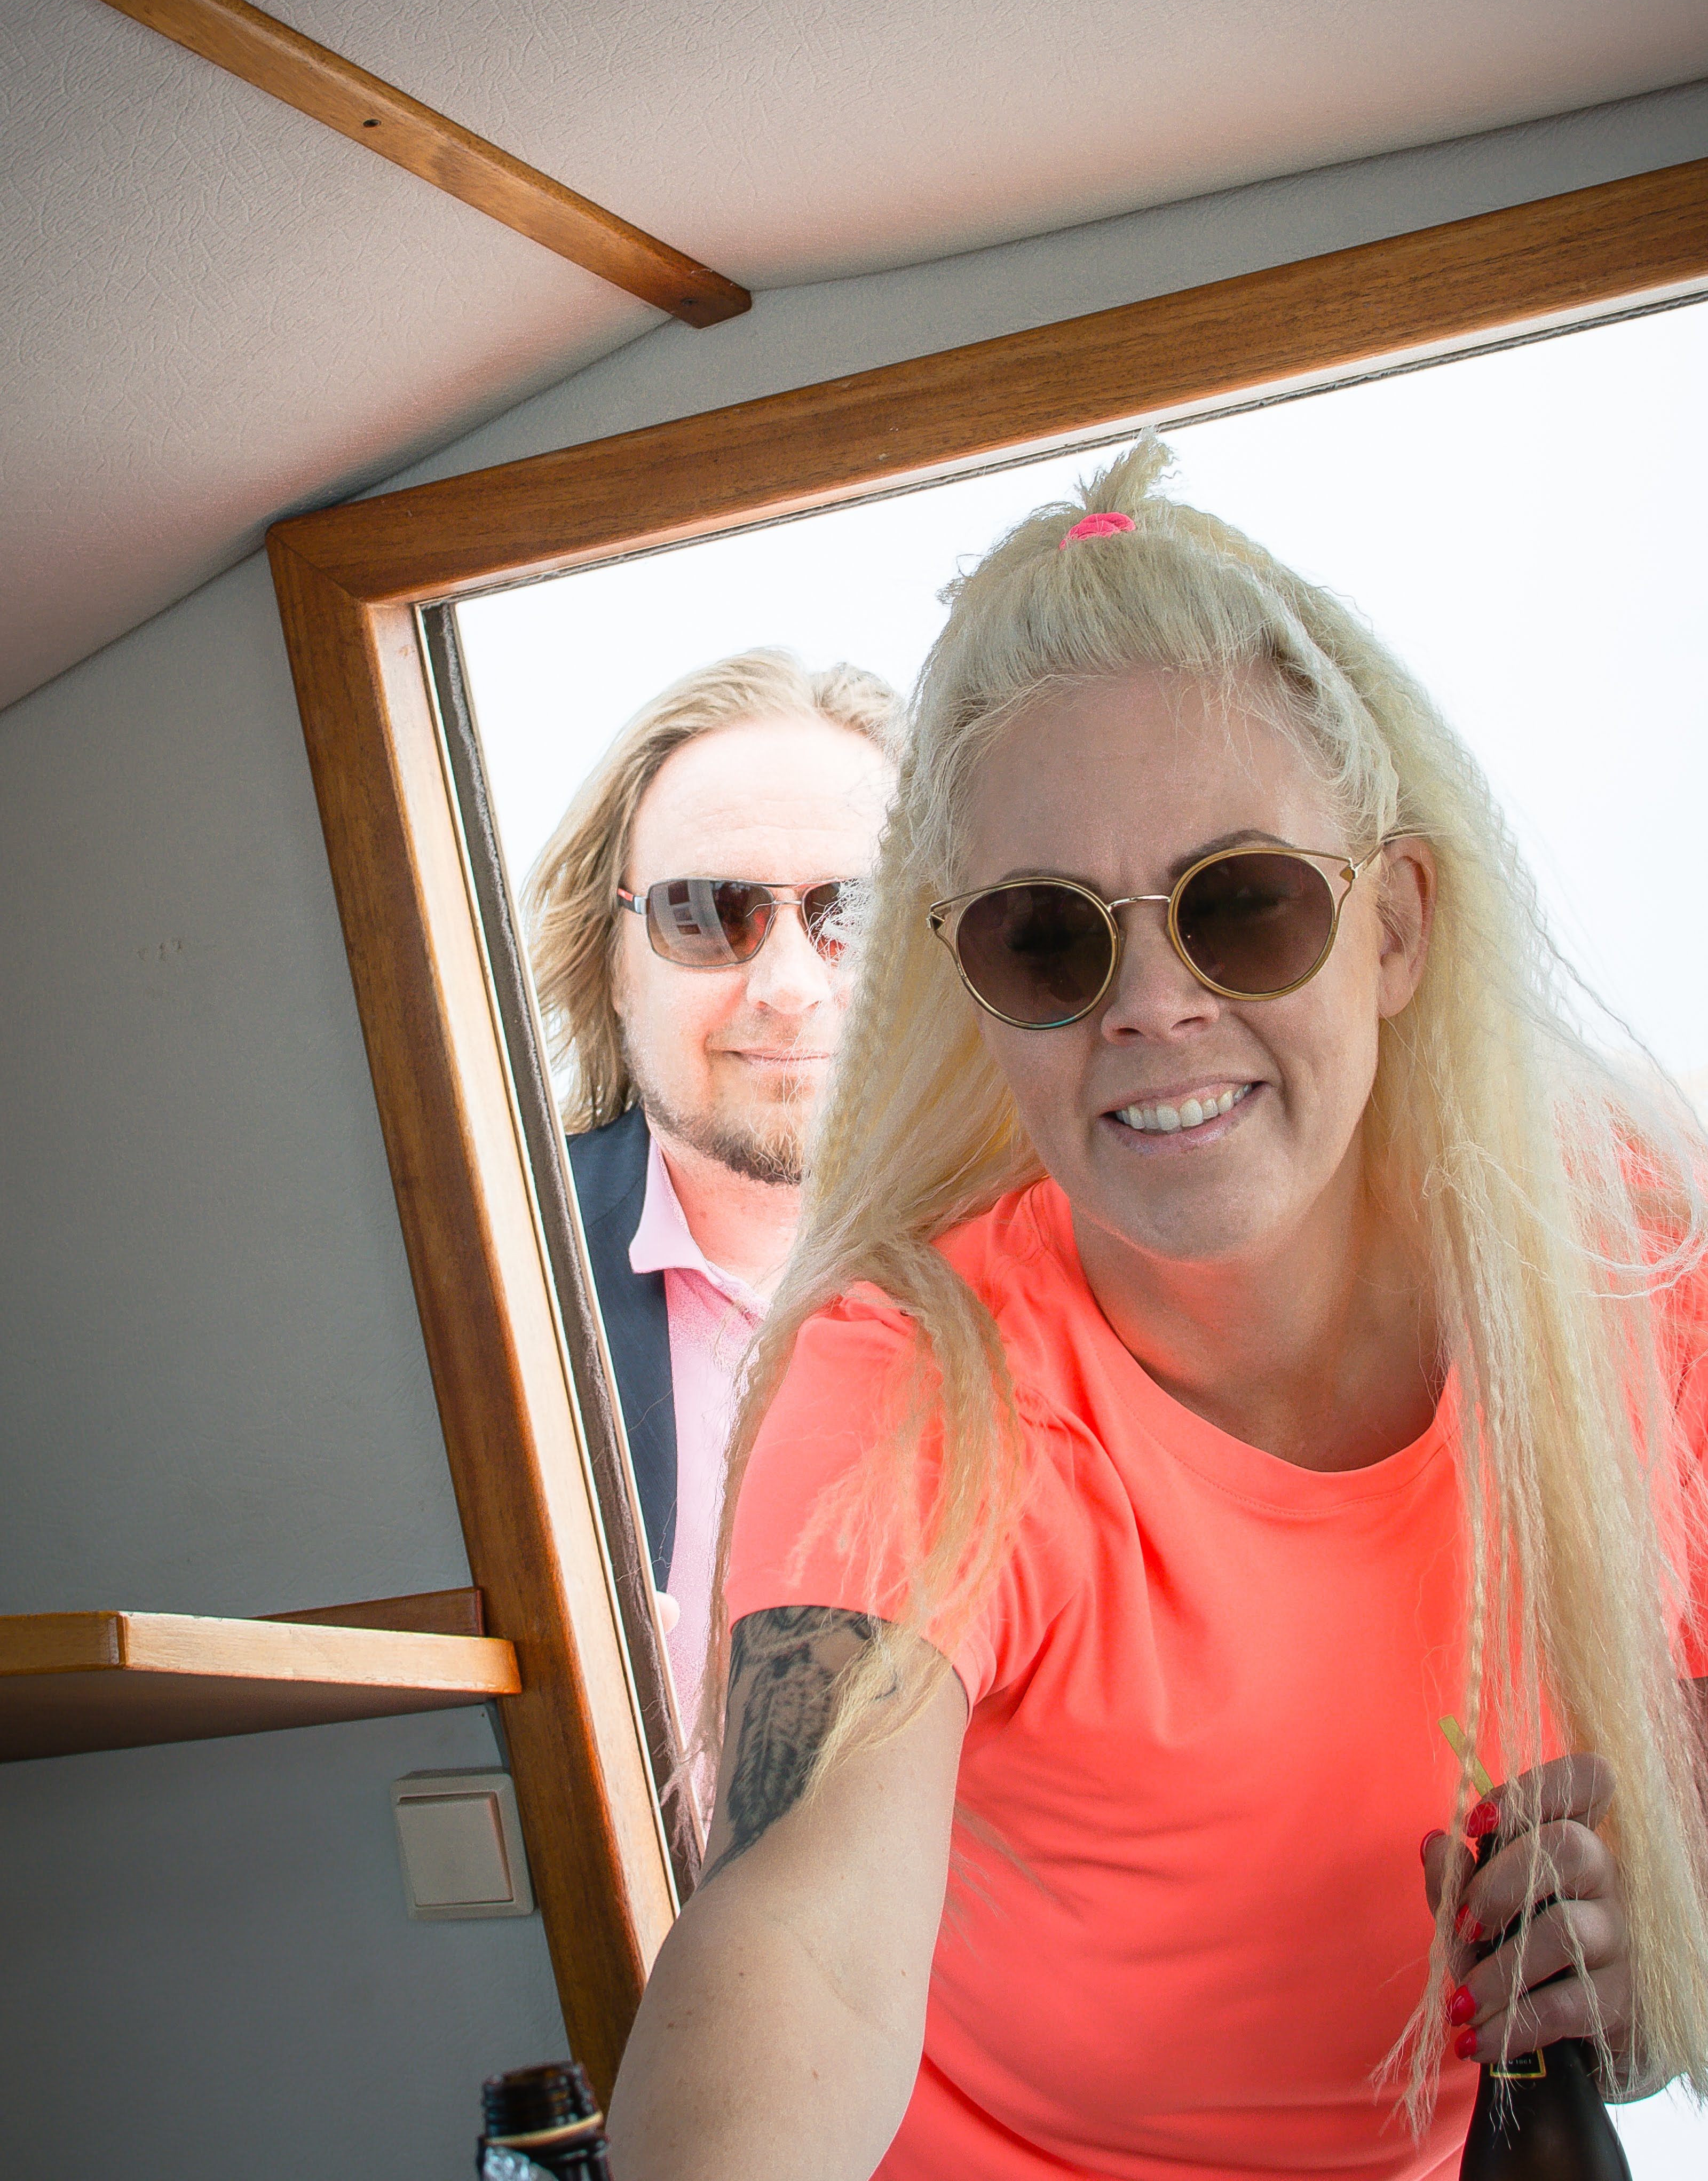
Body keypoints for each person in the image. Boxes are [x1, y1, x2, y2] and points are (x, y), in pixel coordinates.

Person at [606, 442, 1708, 2180]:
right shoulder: (915, 1376)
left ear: (1394, 925)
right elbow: (797, 1935)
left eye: (1244, 906)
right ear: (973, 988)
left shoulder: (1636, 1277)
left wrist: (1672, 1951)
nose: (1152, 1006)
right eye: (1050, 940)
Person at [523, 650, 898, 1715]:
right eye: (707, 915)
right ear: (612, 960)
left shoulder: (1091, 1288)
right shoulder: (470, 1285)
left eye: (856, 914)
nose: (789, 986)